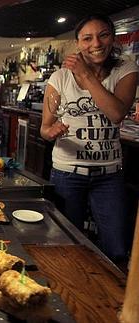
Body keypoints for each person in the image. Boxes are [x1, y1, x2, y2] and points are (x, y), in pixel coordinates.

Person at [40, 14, 138, 262]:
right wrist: (50, 132)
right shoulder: (59, 78)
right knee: (66, 244)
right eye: (87, 38)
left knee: (116, 248)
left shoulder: (125, 70)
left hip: (109, 175)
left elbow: (116, 113)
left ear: (112, 38)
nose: (96, 43)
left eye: (103, 35)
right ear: (78, 44)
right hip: (67, 173)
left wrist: (85, 76)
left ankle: (110, 298)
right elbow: (44, 128)